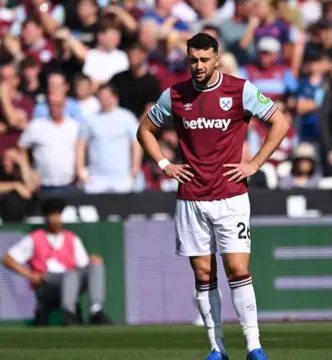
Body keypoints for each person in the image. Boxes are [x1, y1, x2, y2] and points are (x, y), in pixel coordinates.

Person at [136, 33, 289, 360]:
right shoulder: (175, 95)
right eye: (193, 60)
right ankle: (216, 348)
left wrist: (255, 163)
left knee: (237, 268)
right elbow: (144, 130)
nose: (199, 66)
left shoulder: (240, 89)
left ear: (217, 59)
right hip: (191, 197)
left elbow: (279, 122)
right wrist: (164, 164)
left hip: (231, 195)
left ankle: (253, 346)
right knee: (203, 274)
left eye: (205, 60)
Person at [1, 198, 113, 326]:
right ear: (46, 218)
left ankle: (96, 310)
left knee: (95, 265)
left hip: (71, 282)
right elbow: (8, 259)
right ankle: (68, 313)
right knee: (70, 274)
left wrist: (91, 261)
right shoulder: (35, 238)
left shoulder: (71, 238)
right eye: (51, 215)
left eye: (57, 215)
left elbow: (82, 266)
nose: (55, 219)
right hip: (46, 284)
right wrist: (30, 275)